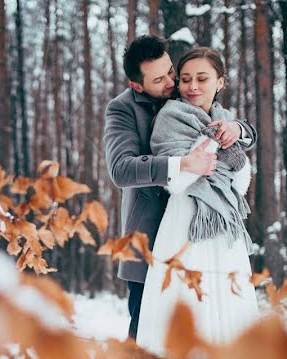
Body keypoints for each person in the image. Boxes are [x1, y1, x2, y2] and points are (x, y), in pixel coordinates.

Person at [104, 36, 257, 341]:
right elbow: (121, 169)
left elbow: (232, 133)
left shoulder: (193, 98)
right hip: (151, 229)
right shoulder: (122, 109)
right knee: (149, 325)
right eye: (160, 79)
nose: (173, 83)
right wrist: (181, 165)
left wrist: (240, 130)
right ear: (137, 85)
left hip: (202, 226)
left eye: (171, 71)